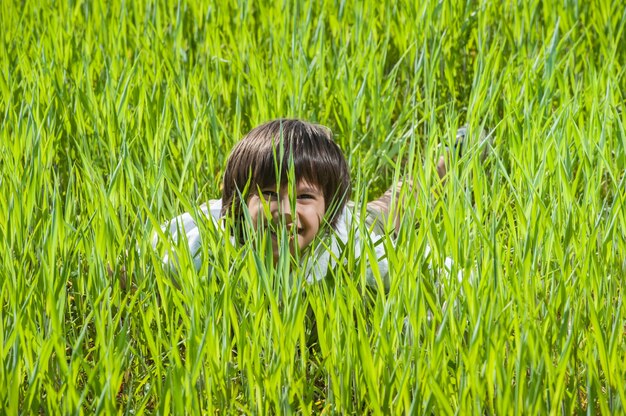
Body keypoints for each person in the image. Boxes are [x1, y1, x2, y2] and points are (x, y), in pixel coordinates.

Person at [153, 119, 489, 289]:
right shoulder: (202, 246)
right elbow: (134, 268)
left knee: (394, 205)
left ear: (327, 207)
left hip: (354, 225)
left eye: (302, 197)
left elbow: (437, 278)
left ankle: (451, 160)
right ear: (239, 202)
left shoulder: (352, 250)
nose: (284, 211)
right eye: (269, 194)